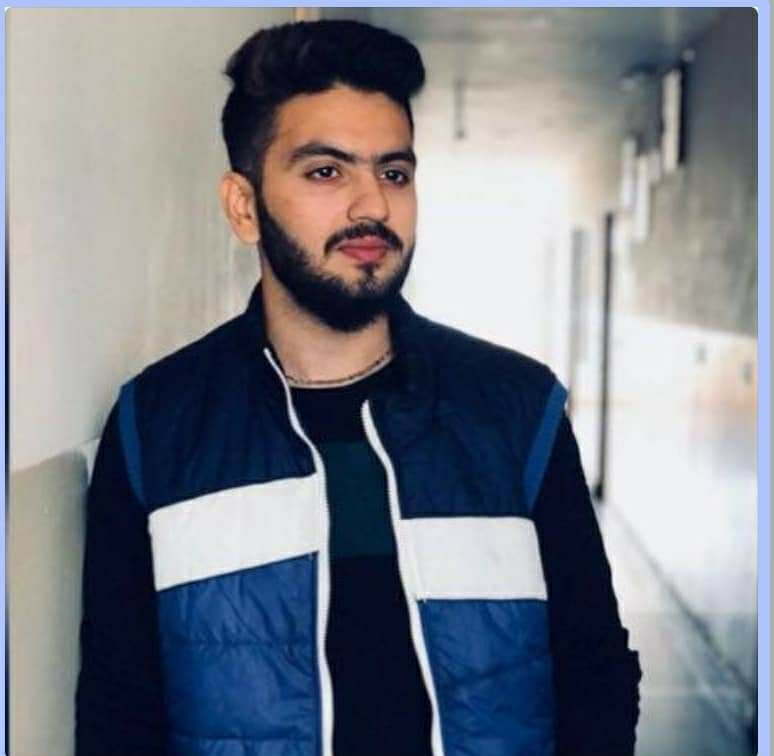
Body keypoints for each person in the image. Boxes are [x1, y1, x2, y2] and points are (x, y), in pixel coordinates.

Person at [75, 19, 641, 756]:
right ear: (244, 206)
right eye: (326, 172)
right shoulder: (155, 425)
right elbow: (119, 714)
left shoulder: (517, 409)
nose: (372, 205)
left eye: (394, 173)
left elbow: (596, 675)